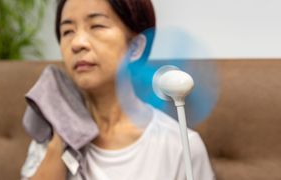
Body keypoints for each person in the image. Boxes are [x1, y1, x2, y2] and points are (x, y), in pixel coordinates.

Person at [21, 0, 215, 180]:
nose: (77, 43)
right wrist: (59, 143)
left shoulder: (181, 146)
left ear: (136, 47)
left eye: (97, 25)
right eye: (67, 31)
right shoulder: (52, 132)